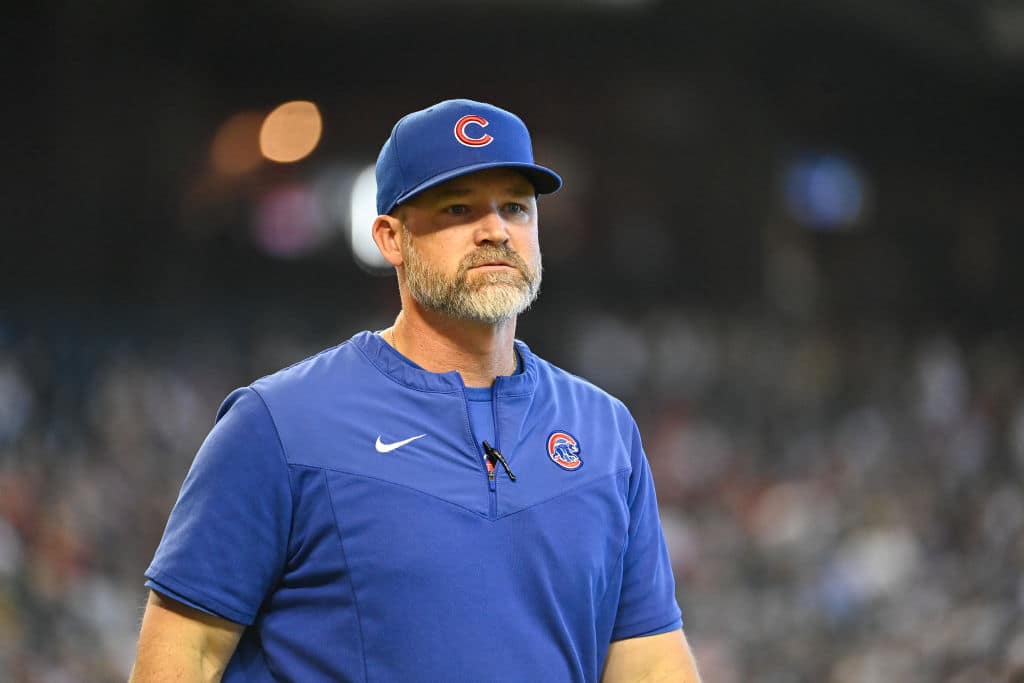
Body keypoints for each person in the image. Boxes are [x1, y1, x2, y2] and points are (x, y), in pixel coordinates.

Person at [130, 98, 702, 682]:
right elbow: (185, 655)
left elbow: (650, 660)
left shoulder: (605, 432)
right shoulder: (278, 423)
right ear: (390, 238)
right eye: (458, 208)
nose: (495, 232)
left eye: (515, 207)